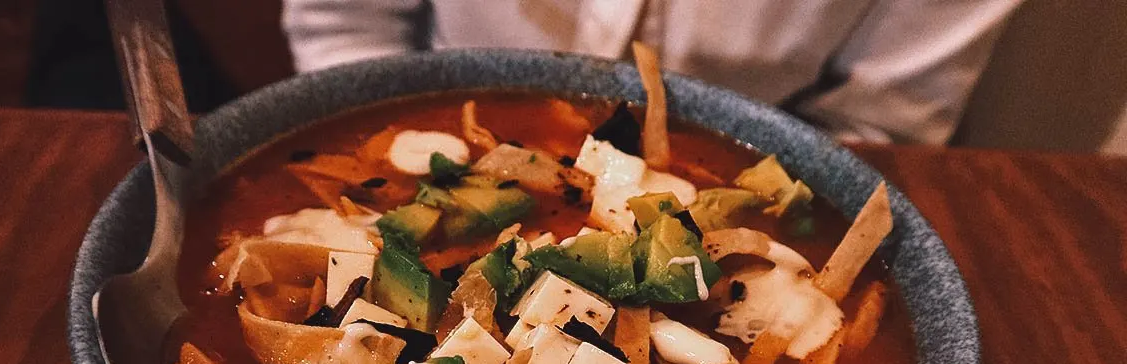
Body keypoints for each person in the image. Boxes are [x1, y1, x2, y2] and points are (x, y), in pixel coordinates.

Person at [282, 0, 1024, 145]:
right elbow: (348, 26)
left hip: (750, 179)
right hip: (426, 130)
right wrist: (387, 153)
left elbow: (876, 126)